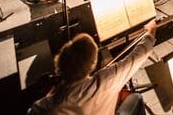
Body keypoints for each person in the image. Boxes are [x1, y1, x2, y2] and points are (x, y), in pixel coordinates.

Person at [29, 19, 158, 114]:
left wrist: (51, 94)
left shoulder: (44, 107)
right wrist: (150, 32)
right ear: (92, 64)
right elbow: (139, 55)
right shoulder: (105, 81)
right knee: (136, 98)